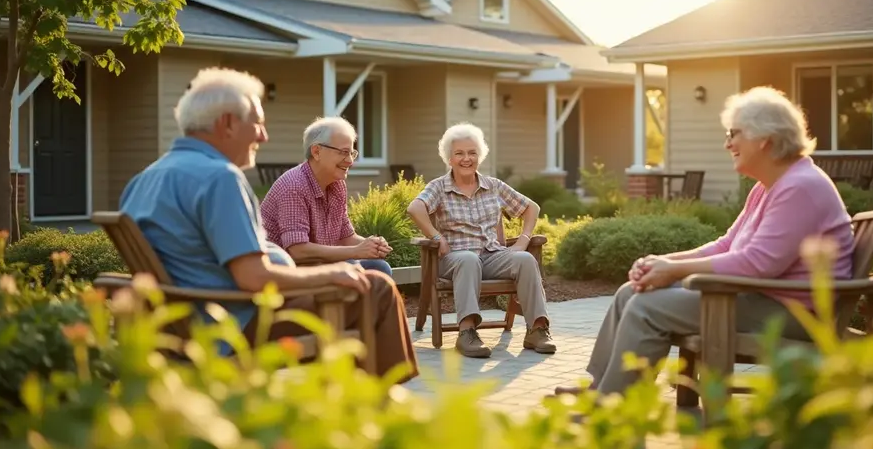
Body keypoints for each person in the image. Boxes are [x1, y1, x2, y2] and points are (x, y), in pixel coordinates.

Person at [118, 67, 418, 383]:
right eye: (258, 123)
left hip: (183, 324)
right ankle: (382, 409)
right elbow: (253, 277)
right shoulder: (220, 178)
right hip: (232, 325)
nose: (263, 135)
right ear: (227, 124)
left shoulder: (143, 180)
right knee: (377, 288)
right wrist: (331, 272)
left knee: (368, 279)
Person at [555, 86, 855, 397]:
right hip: (760, 299)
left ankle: (614, 405)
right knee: (629, 292)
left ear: (764, 138)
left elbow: (757, 263)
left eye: (733, 133)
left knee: (647, 307)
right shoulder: (769, 187)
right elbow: (727, 245)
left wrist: (673, 272)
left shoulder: (799, 187)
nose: (727, 144)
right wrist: (665, 262)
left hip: (790, 312)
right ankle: (600, 387)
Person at [406, 122, 556, 359]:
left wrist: (524, 239)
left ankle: (537, 330)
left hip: (492, 256)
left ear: (480, 155)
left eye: (472, 152)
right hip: (454, 260)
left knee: (525, 259)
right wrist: (435, 237)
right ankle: (467, 333)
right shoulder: (438, 187)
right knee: (467, 259)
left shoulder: (493, 186)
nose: (466, 158)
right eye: (459, 153)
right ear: (449, 158)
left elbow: (531, 208)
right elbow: (415, 208)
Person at [260, 117, 394, 276]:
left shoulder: (337, 185)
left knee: (379, 267)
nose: (350, 161)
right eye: (344, 152)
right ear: (316, 152)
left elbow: (346, 237)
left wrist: (372, 245)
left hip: (315, 264)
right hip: (282, 270)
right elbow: (298, 250)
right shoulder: (294, 185)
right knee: (349, 267)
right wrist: (356, 251)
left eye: (352, 153)